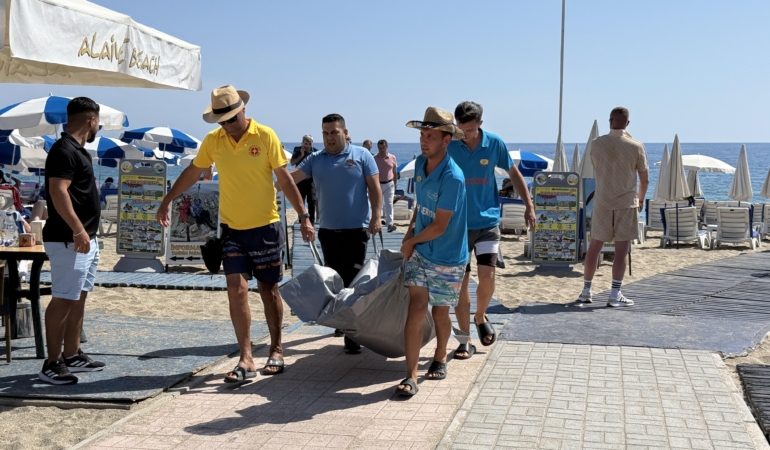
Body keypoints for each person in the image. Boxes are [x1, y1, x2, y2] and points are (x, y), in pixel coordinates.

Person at [157, 85, 314, 381]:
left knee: (269, 290)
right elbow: (192, 172)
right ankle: (246, 358)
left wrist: (304, 216)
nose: (227, 125)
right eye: (222, 121)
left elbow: (286, 180)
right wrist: (168, 199)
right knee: (236, 289)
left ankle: (277, 349)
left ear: (243, 110)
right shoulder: (213, 141)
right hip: (231, 230)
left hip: (266, 227)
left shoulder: (265, 135)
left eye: (231, 118)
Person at [287, 114, 382, 354]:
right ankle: (343, 322)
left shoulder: (362, 155)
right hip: (328, 231)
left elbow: (375, 188)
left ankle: (352, 334)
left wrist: (376, 216)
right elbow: (288, 181)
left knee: (353, 282)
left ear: (345, 133)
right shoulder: (315, 160)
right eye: (325, 133)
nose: (329, 137)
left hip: (356, 230)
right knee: (334, 280)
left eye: (334, 132)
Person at [448, 101, 535, 360]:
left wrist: (528, 205)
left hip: (487, 222)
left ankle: (480, 315)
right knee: (461, 285)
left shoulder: (494, 143)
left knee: (487, 277)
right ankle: (464, 341)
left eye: (471, 130)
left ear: (480, 125)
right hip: (457, 225)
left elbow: (514, 173)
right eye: (462, 129)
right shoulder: (449, 143)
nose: (467, 135)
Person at [396, 107, 468, 396]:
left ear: (446, 139)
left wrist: (411, 243)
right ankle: (411, 374)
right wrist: (409, 233)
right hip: (422, 252)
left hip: (449, 255)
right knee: (416, 308)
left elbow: (440, 225)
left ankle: (439, 356)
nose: (424, 141)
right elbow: (420, 208)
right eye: (422, 135)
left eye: (430, 136)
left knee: (440, 312)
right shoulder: (419, 164)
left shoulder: (454, 177)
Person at [39, 97, 105, 385]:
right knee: (64, 298)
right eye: (97, 122)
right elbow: (58, 191)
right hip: (69, 239)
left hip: (85, 238)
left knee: (78, 296)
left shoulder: (78, 150)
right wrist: (78, 230)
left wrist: (86, 233)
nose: (98, 127)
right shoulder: (64, 150)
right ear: (91, 120)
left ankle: (72, 353)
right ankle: (52, 362)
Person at [578, 107, 648, 307]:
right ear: (627, 123)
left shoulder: (596, 144)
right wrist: (641, 199)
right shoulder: (636, 146)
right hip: (626, 203)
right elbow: (644, 179)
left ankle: (586, 290)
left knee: (594, 248)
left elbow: (597, 166)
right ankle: (615, 294)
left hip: (602, 201)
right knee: (621, 250)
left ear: (609, 121)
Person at [290, 135, 318, 224]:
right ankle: (301, 220)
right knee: (300, 200)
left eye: (309, 144)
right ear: (302, 143)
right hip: (299, 179)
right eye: (305, 143)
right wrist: (301, 155)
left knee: (312, 200)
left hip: (310, 179)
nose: (307, 146)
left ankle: (312, 221)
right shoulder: (297, 150)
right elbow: (292, 162)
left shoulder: (315, 152)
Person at [374, 140, 398, 232]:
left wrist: (395, 184)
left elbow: (394, 172)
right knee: (377, 204)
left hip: (389, 183)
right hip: (378, 184)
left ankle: (390, 223)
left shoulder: (392, 157)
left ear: (386, 146)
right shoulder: (374, 158)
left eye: (383, 148)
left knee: (389, 203)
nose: (381, 150)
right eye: (380, 148)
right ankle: (377, 221)